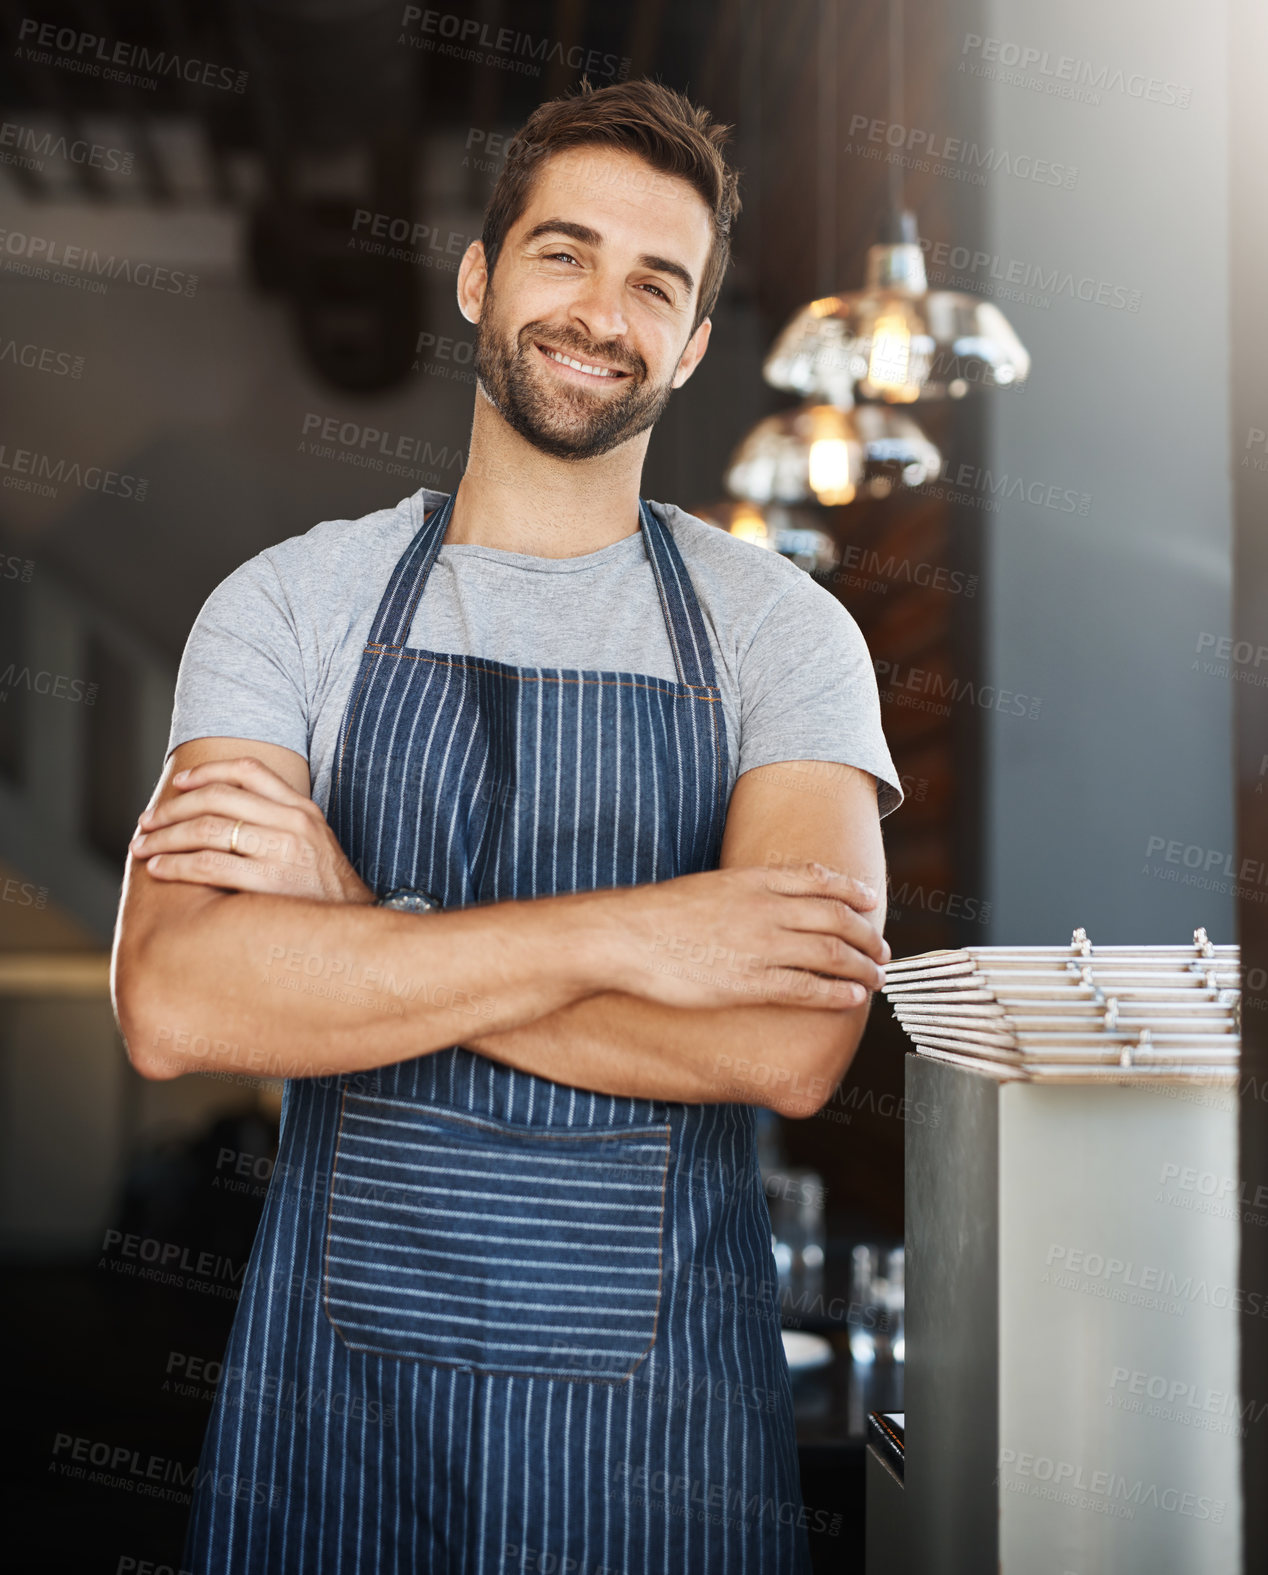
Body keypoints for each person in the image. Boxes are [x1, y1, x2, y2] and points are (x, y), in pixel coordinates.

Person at [113, 76, 904, 1575]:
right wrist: (645, 932)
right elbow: (173, 1001)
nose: (601, 311)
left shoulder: (782, 638)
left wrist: (346, 926)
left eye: (654, 283)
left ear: (692, 342)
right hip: (331, 1423)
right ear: (481, 277)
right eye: (565, 253)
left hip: (661, 1450)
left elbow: (789, 1045)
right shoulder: (291, 604)